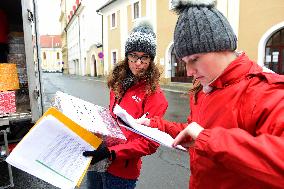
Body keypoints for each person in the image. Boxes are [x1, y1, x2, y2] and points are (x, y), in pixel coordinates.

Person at [137, 0, 284, 188]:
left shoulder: (264, 91)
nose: (189, 71)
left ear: (223, 46)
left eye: (194, 59)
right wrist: (154, 125)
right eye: (184, 61)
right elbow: (192, 130)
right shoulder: (204, 88)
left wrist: (205, 138)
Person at [83, 19, 168, 189]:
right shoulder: (118, 83)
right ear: (127, 56)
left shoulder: (155, 96)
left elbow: (150, 142)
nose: (138, 63)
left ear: (151, 60)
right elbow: (112, 117)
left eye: (144, 57)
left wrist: (113, 153)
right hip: (98, 157)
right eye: (133, 56)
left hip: (122, 172)